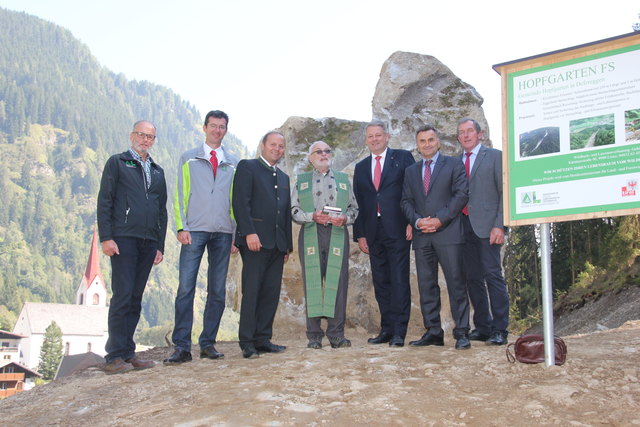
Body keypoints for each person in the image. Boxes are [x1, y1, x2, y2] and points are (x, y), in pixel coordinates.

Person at [164, 110, 239, 365]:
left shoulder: (233, 162)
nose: (217, 130)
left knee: (217, 291)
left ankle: (208, 344)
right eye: (213, 126)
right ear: (204, 127)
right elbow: (180, 195)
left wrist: (234, 234)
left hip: (223, 232)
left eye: (222, 127)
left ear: (226, 131)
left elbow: (235, 202)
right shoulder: (189, 158)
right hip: (194, 230)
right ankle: (181, 347)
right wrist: (180, 227)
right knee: (186, 288)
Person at [97, 120, 167, 374]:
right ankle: (114, 356)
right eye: (141, 134)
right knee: (123, 295)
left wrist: (160, 244)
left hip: (149, 242)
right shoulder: (117, 163)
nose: (145, 139)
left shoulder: (157, 171)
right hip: (123, 238)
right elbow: (105, 201)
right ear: (132, 136)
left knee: (136, 297)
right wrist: (107, 237)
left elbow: (162, 210)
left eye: (150, 136)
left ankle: (128, 353)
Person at [400, 125, 471, 350]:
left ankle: (461, 332)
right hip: (422, 237)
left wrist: (439, 219)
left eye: (431, 140)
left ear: (438, 141)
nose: (427, 144)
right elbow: (405, 201)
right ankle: (433, 331)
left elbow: (461, 195)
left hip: (449, 234)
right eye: (422, 141)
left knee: (456, 284)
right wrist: (418, 222)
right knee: (426, 286)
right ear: (417, 145)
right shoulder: (411, 171)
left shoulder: (454, 164)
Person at [353, 121, 415, 347]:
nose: (375, 139)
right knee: (381, 282)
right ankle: (386, 330)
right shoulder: (361, 167)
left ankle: (400, 331)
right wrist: (360, 234)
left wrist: (412, 221)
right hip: (372, 231)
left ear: (387, 137)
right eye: (371, 136)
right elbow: (359, 201)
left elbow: (412, 191)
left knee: (399, 280)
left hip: (398, 228)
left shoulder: (403, 157)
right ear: (366, 140)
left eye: (379, 135)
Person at [291, 141, 359, 349]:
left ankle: (336, 333)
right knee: (312, 281)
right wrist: (311, 216)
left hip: (337, 232)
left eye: (327, 151)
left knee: (338, 283)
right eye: (318, 152)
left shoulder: (343, 180)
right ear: (310, 157)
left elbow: (354, 209)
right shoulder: (301, 181)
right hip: (312, 231)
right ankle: (313, 335)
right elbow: (293, 210)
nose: (323, 154)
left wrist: (345, 219)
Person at [232, 131, 292, 359]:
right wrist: (249, 233)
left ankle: (263, 339)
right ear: (263, 146)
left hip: (277, 245)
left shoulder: (284, 177)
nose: (277, 149)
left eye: (281, 146)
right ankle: (247, 342)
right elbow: (240, 202)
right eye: (273, 145)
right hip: (255, 241)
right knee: (253, 291)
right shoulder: (248, 167)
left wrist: (286, 246)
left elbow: (284, 213)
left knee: (270, 292)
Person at [457, 117, 510, 345]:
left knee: (493, 276)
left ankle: (500, 329)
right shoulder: (456, 161)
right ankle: (483, 326)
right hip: (462, 227)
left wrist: (500, 224)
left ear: (480, 134)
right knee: (472, 279)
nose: (466, 135)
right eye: (462, 132)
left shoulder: (496, 156)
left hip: (489, 228)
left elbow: (504, 193)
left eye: (470, 131)